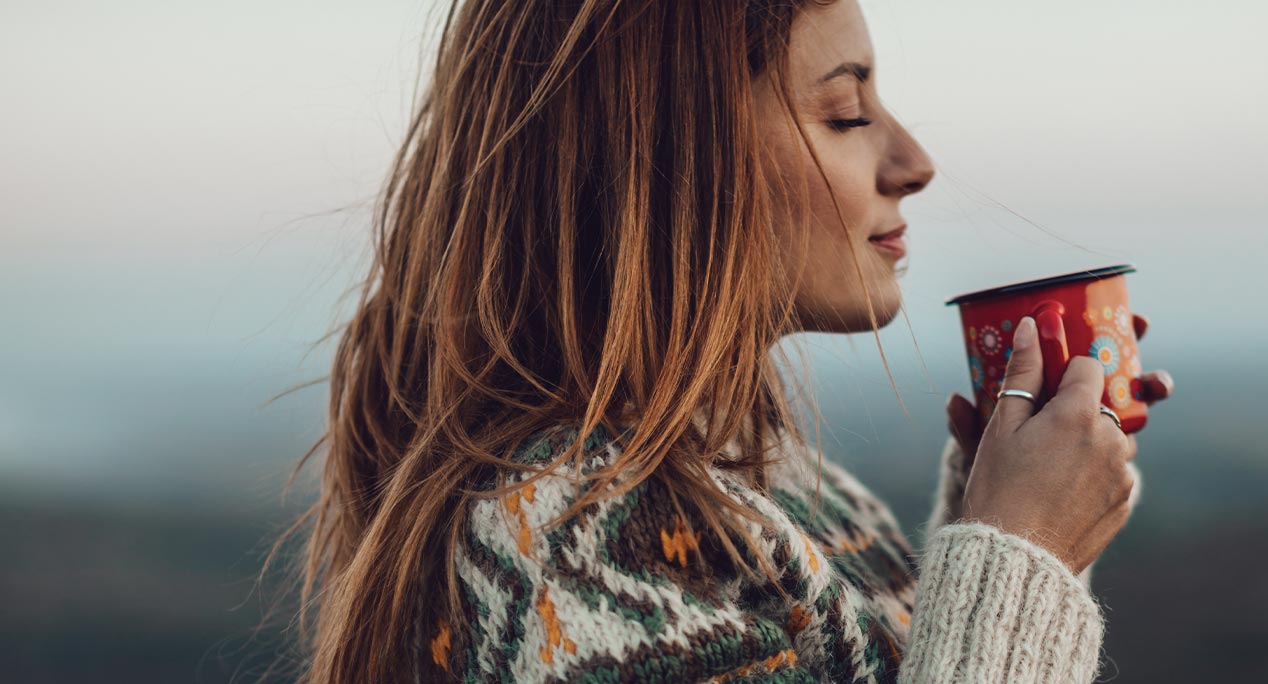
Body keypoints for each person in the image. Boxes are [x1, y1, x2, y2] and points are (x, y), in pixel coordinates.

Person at [278, 1, 1176, 682]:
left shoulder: (787, 488)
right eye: (846, 114)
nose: (914, 161)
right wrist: (1020, 563)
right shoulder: (567, 540)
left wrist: (1004, 523)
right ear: (669, 161)